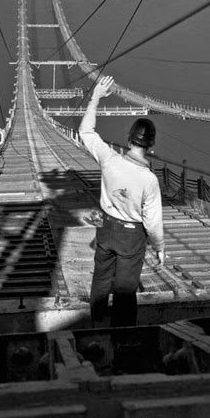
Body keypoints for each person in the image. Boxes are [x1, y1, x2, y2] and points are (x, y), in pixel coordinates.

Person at [79, 75, 164, 327]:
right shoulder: (149, 180)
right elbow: (153, 221)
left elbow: (86, 131)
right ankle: (123, 334)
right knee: (126, 291)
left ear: (129, 140)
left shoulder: (109, 159)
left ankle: (96, 324)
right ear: (151, 145)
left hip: (105, 229)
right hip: (131, 236)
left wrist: (95, 97)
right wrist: (160, 247)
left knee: (101, 280)